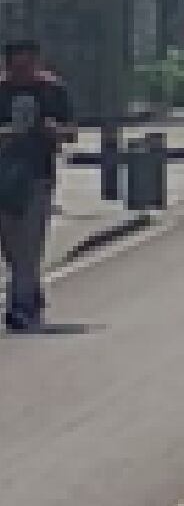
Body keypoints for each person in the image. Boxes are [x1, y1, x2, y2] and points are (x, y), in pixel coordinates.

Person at [0, 40, 74, 332]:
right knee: (11, 247)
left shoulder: (53, 91)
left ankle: (19, 307)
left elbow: (71, 132)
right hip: (2, 177)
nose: (22, 72)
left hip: (37, 177)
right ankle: (29, 296)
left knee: (30, 244)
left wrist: (54, 130)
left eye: (27, 66)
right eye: (15, 66)